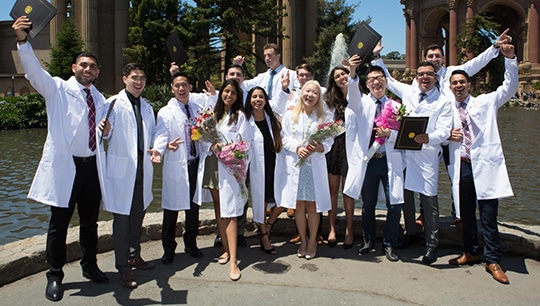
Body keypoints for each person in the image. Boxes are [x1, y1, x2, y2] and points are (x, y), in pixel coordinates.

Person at [12, 16, 109, 302]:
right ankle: (55, 275)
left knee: (90, 221)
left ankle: (90, 266)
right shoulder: (56, 89)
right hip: (67, 168)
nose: (88, 69)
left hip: (91, 168)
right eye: (83, 65)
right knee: (59, 224)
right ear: (74, 68)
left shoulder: (100, 98)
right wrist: (22, 41)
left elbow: (104, 130)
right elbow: (33, 71)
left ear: (97, 71)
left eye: (92, 66)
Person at [373, 29, 511, 224]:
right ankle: (424, 212)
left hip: (454, 135)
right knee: (422, 173)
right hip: (427, 138)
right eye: (430, 56)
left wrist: (494, 48)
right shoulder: (417, 83)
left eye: (438, 55)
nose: (434, 58)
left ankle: (459, 214)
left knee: (456, 175)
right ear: (425, 59)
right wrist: (378, 57)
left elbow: (476, 63)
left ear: (443, 58)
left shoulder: (453, 74)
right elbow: (390, 82)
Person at [446, 44, 518, 284]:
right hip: (463, 165)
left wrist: (510, 59)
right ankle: (471, 251)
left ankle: (493, 259)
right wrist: (448, 135)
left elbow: (510, 87)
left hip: (484, 166)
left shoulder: (486, 102)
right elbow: (437, 132)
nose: (458, 86)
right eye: (454, 83)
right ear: (450, 87)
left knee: (488, 214)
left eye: (462, 82)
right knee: (465, 213)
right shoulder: (448, 110)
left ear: (470, 85)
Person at [374, 61, 453, 264]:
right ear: (416, 77)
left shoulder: (443, 102)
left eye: (429, 74)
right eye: (421, 74)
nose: (424, 77)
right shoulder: (408, 92)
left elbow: (445, 130)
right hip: (405, 155)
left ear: (436, 77)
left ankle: (431, 244)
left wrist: (430, 137)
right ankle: (410, 233)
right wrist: (377, 59)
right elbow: (389, 81)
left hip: (426, 156)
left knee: (429, 200)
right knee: (406, 197)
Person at [343, 58, 404, 261]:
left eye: (379, 78)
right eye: (371, 79)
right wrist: (352, 73)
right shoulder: (362, 104)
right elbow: (352, 97)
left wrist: (390, 134)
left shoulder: (396, 107)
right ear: (366, 83)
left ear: (386, 81)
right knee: (368, 204)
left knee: (394, 203)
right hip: (368, 161)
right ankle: (368, 240)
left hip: (389, 160)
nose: (376, 82)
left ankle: (389, 243)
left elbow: (404, 136)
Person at [101, 63, 156, 288]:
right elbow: (105, 131)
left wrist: (162, 146)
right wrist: (104, 130)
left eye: (142, 78)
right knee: (122, 222)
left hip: (142, 169)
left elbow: (152, 135)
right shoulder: (113, 103)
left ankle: (135, 255)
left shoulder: (147, 107)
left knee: (137, 216)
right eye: (134, 77)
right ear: (125, 79)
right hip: (122, 172)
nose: (139, 82)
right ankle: (123, 267)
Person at [195, 79, 253, 281]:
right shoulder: (212, 115)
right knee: (220, 210)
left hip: (230, 169)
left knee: (231, 213)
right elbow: (202, 140)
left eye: (233, 93)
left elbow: (245, 144)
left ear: (237, 97)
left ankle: (234, 261)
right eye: (226, 91)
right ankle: (227, 250)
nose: (229, 95)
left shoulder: (241, 117)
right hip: (213, 166)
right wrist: (212, 147)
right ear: (221, 94)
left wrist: (232, 157)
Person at [151, 72, 206, 264]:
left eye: (184, 85)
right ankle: (168, 249)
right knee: (171, 210)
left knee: (193, 208)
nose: (181, 89)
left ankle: (191, 243)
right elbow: (161, 134)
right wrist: (160, 149)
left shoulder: (198, 108)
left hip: (195, 163)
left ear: (190, 87)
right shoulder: (166, 112)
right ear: (172, 88)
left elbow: (206, 132)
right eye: (177, 86)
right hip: (177, 164)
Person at [275, 80, 333, 260]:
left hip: (313, 165)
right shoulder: (291, 115)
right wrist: (298, 148)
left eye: (315, 93)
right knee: (299, 205)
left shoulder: (324, 117)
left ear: (319, 97)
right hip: (296, 165)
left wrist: (320, 147)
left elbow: (330, 142)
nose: (310, 95)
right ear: (301, 93)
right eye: (307, 91)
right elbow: (283, 138)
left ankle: (313, 240)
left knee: (313, 206)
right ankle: (303, 240)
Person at [244, 87, 284, 255]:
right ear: (250, 100)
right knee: (262, 202)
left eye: (261, 96)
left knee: (284, 200)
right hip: (258, 167)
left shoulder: (273, 120)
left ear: (266, 100)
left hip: (276, 165)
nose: (257, 99)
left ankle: (267, 225)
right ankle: (264, 235)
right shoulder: (245, 121)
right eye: (254, 97)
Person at [323, 65, 356, 249]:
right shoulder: (329, 100)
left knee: (348, 191)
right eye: (337, 76)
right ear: (333, 80)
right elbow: (325, 123)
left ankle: (350, 229)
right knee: (332, 191)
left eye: (344, 73)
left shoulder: (357, 96)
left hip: (351, 147)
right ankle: (332, 228)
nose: (341, 77)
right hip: (333, 147)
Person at [235, 43, 296, 116]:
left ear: (278, 56)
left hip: (284, 115)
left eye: (269, 55)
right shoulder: (262, 77)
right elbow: (243, 86)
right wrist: (237, 67)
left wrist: (293, 104)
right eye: (265, 56)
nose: (267, 58)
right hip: (265, 115)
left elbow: (300, 94)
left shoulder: (291, 74)